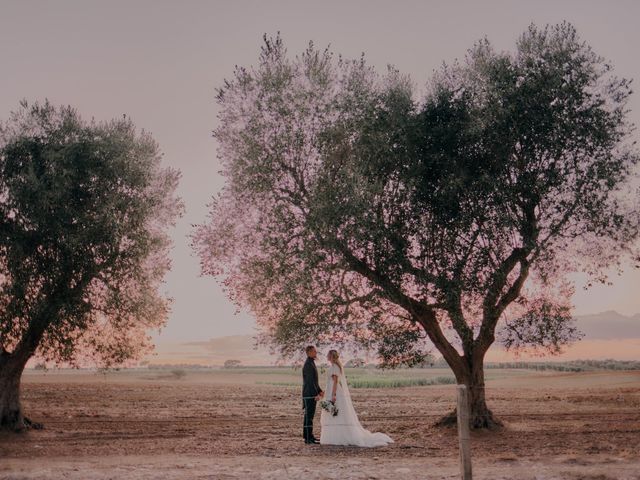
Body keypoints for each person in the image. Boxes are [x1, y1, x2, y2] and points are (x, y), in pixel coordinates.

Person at [320, 349, 393, 447]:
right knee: (333, 412)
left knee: (336, 412)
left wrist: (333, 395)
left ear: (331, 356)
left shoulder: (335, 367)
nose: (327, 357)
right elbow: (330, 383)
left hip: (334, 391)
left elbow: (335, 382)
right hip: (330, 390)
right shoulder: (334, 366)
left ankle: (339, 436)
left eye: (328, 355)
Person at [302, 345, 323, 444]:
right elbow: (310, 382)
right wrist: (316, 394)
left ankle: (310, 436)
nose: (316, 353)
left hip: (311, 393)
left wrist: (319, 390)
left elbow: (315, 381)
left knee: (310, 416)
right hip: (309, 394)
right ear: (309, 352)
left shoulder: (311, 363)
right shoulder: (308, 364)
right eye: (314, 351)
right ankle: (308, 438)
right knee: (309, 417)